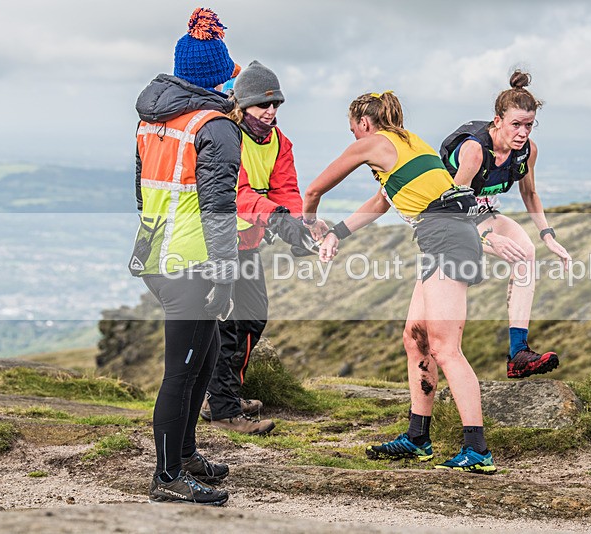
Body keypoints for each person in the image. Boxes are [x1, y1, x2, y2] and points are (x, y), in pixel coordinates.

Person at [303, 91, 496, 474]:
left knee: (445, 348)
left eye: (353, 130)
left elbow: (313, 190)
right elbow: (381, 202)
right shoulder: (408, 143)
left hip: (446, 237)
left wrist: (311, 221)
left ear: (363, 123)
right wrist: (338, 233)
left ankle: (477, 451)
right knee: (416, 338)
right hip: (443, 236)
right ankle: (417, 437)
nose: (355, 137)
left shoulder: (374, 142)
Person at [130, 7, 240, 505]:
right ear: (217, 75)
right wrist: (224, 273)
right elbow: (219, 209)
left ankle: (186, 454)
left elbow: (142, 193)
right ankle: (168, 475)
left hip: (156, 254)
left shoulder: (150, 121)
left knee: (205, 355)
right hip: (191, 262)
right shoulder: (214, 126)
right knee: (182, 370)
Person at [200, 60, 315, 434]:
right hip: (217, 244)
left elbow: (286, 188)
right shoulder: (227, 136)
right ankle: (222, 407)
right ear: (243, 103)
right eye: (263, 104)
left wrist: (295, 226)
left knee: (253, 317)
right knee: (228, 325)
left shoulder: (280, 142)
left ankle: (223, 394)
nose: (271, 111)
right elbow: (238, 192)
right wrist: (276, 218)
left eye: (276, 103)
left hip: (247, 244)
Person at [439, 70, 571, 379]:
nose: (523, 132)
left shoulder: (527, 150)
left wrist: (548, 237)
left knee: (526, 253)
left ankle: (518, 354)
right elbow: (454, 208)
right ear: (498, 120)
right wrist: (487, 239)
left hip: (481, 212)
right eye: (516, 124)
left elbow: (530, 193)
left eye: (529, 125)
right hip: (444, 218)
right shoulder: (475, 151)